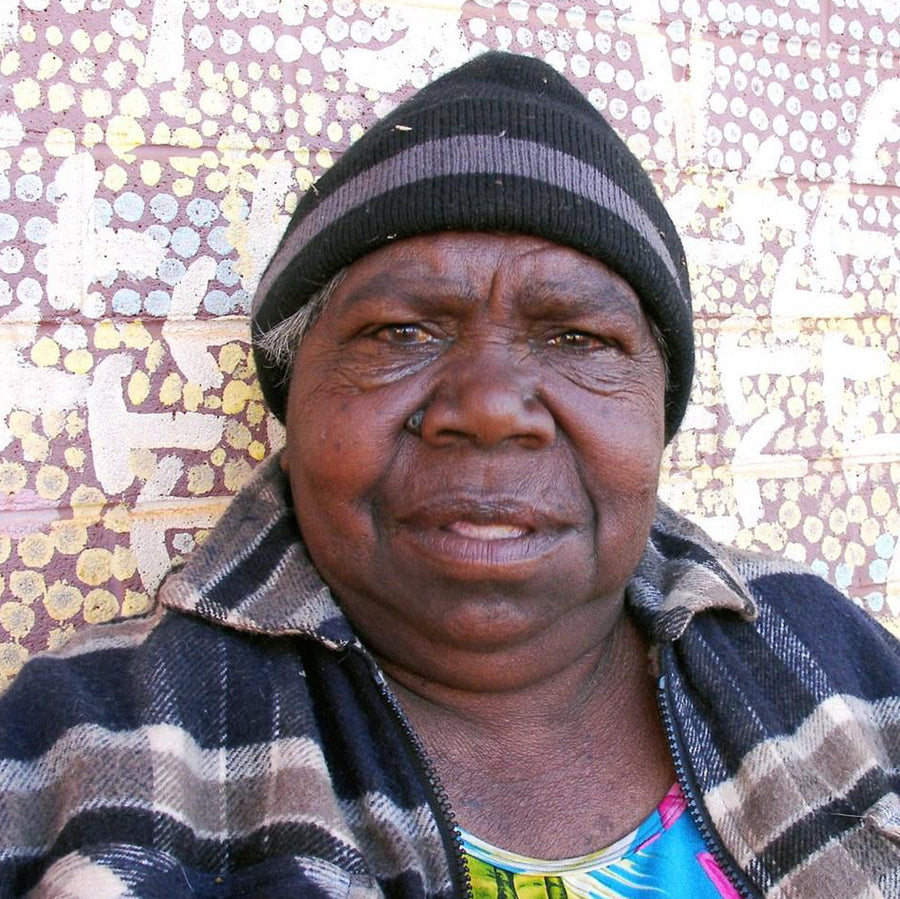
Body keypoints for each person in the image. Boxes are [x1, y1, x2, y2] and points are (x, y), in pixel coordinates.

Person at [2, 51, 899, 899]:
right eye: (402, 331)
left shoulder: (830, 655)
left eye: (579, 339)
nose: (490, 404)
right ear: (293, 397)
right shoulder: (84, 743)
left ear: (657, 408)